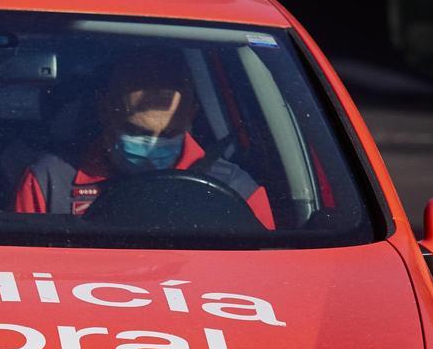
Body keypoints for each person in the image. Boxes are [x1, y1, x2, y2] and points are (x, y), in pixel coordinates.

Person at [14, 48, 274, 229]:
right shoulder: (50, 181)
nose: (152, 147)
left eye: (169, 134)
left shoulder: (236, 191)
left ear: (191, 115)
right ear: (104, 109)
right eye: (137, 131)